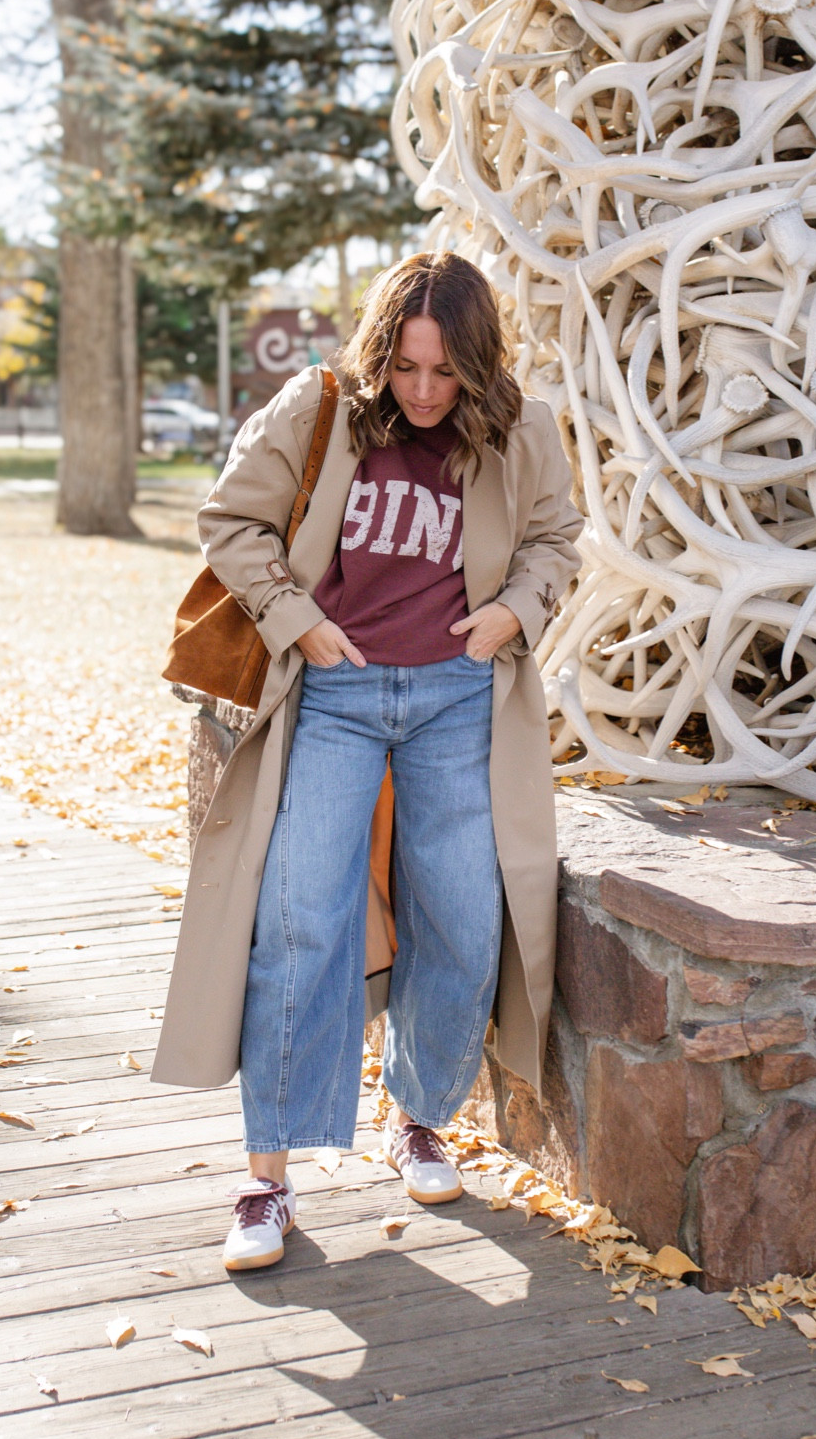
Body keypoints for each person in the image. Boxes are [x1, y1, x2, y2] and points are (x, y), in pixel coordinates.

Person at [150, 251, 583, 1270]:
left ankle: (418, 1114)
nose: (424, 392)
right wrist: (296, 619)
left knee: (466, 914)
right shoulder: (323, 405)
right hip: (334, 695)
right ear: (381, 351)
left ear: (480, 363)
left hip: (456, 698)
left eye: (446, 373)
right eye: (407, 367)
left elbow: (556, 538)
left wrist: (512, 612)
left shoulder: (522, 427)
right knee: (300, 914)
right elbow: (231, 519)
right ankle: (267, 1179)